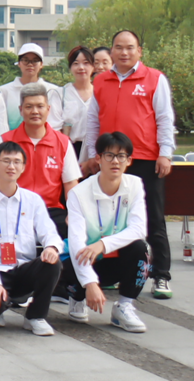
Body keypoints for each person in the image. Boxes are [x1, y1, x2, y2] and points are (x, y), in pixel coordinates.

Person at [83, 30, 175, 299]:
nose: (124, 52)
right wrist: (93, 154)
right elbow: (93, 120)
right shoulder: (101, 80)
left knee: (153, 217)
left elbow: (164, 118)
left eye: (130, 47)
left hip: (145, 158)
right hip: (110, 159)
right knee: (110, 218)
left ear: (139, 51)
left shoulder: (154, 78)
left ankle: (161, 275)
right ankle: (114, 273)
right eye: (119, 47)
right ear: (111, 51)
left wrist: (165, 153)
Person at [0, 141, 64, 336]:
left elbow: (49, 232)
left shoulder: (33, 200)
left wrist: (51, 247)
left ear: (23, 167)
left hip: (24, 268)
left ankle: (36, 317)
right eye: (6, 161)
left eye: (16, 162)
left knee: (52, 263)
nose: (11, 166)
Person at [66, 132, 149, 331]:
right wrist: (90, 283)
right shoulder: (78, 193)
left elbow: (139, 229)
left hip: (115, 258)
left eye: (121, 156)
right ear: (98, 158)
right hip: (87, 259)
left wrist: (102, 244)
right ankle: (77, 297)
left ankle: (124, 306)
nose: (115, 161)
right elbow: (76, 241)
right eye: (109, 155)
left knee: (141, 248)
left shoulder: (135, 185)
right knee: (72, 256)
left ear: (129, 160)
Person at [0, 84, 80, 222]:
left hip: (50, 210)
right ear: (21, 110)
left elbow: (71, 183)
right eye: (29, 107)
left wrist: (74, 215)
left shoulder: (63, 142)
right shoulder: (5, 140)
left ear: (48, 109)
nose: (35, 111)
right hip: (14, 209)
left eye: (40, 106)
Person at [1, 44, 65, 133]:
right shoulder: (4, 91)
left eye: (35, 61)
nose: (30, 64)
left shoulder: (53, 90)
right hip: (12, 140)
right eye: (25, 60)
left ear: (41, 64)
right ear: (19, 63)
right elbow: (2, 124)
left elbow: (55, 124)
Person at [62, 46, 98, 162]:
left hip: (95, 151)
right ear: (70, 67)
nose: (81, 67)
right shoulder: (61, 94)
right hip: (68, 149)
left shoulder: (100, 93)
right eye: (76, 63)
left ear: (93, 66)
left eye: (86, 63)